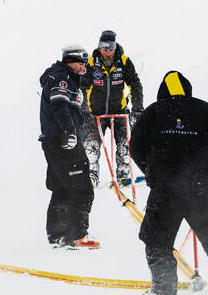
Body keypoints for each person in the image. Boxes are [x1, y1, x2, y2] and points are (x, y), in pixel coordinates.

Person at [130, 71, 208, 295]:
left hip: (164, 195)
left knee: (157, 246)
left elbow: (134, 146)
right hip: (201, 193)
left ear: (163, 93)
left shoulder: (153, 112)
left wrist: (150, 171)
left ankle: (163, 290)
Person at [38, 44, 100, 249]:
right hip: (63, 141)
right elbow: (60, 106)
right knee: (82, 188)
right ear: (70, 61)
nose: (84, 66)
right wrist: (70, 133)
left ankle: (57, 235)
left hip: (54, 141)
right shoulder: (62, 78)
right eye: (81, 62)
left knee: (62, 187)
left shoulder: (62, 77)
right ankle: (77, 234)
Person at [80, 30, 143, 187]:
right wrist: (84, 109)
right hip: (95, 114)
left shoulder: (124, 61)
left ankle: (123, 175)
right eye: (104, 48)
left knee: (124, 146)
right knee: (91, 147)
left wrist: (137, 109)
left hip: (119, 112)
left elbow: (135, 85)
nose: (107, 53)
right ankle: (91, 176)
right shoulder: (91, 63)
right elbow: (82, 87)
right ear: (99, 47)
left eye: (110, 49)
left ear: (115, 47)